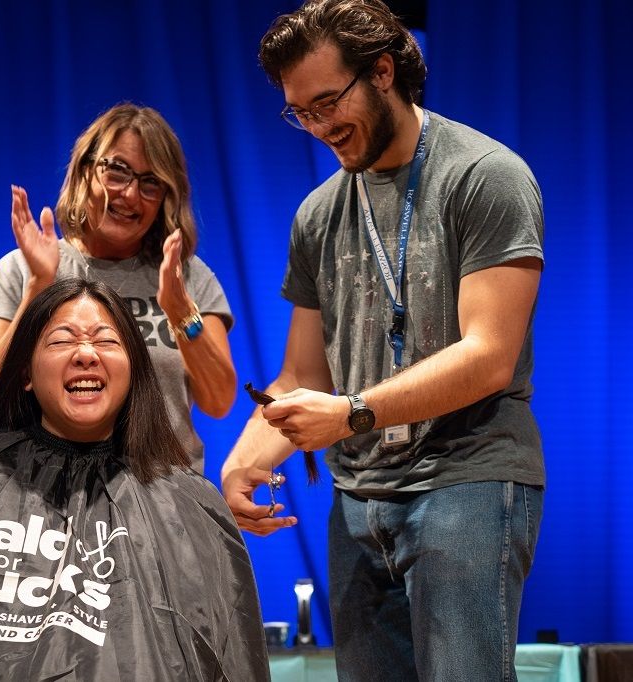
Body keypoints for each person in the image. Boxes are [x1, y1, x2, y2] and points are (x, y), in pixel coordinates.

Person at [220, 1, 545, 680]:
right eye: (298, 112)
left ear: (383, 72)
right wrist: (246, 459)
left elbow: (489, 357)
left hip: (466, 479)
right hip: (358, 495)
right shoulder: (316, 214)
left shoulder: (484, 176)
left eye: (326, 102)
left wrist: (349, 413)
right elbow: (299, 375)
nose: (315, 127)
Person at [0, 278, 270, 682]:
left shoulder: (188, 502)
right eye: (62, 340)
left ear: (134, 370)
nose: (86, 353)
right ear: (26, 374)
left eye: (106, 341)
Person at [0, 103, 236, 475]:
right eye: (117, 171)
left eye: (151, 183)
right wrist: (39, 284)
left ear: (166, 197)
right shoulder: (20, 269)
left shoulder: (186, 276)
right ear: (86, 170)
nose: (130, 195)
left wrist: (180, 311)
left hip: (162, 499)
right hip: (44, 493)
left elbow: (218, 400)